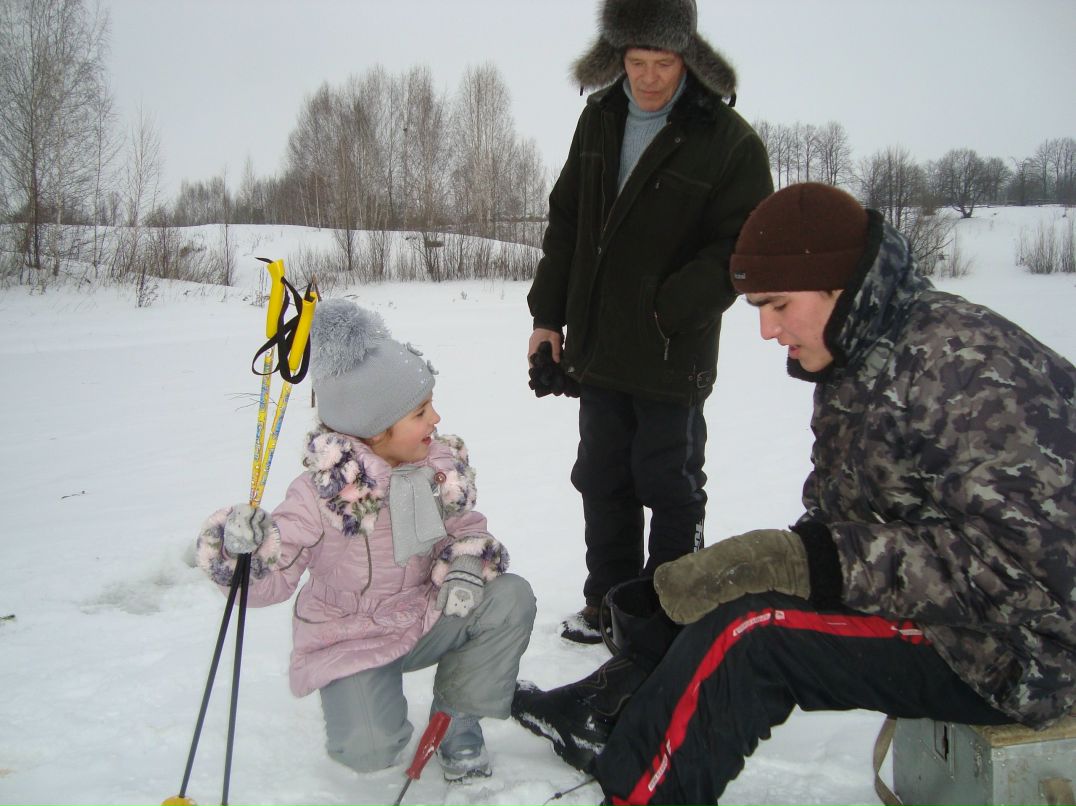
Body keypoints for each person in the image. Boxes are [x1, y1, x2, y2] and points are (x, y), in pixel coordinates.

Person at [512, 182, 1076, 804]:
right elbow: (844, 513)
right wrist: (765, 563)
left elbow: (1037, 574)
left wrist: (817, 563)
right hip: (962, 611)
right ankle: (612, 711)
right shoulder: (860, 351)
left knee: (755, 636)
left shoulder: (963, 370)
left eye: (777, 305)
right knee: (729, 593)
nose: (764, 329)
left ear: (839, 284)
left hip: (1028, 650)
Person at [194, 299, 536, 783]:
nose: (436, 418)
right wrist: (239, 549)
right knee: (370, 751)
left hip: (424, 613)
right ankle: (369, 707)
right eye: (420, 411)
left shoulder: (436, 469)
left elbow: (468, 530)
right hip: (349, 636)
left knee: (508, 596)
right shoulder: (321, 493)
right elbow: (270, 579)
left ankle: (456, 719)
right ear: (375, 429)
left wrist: (464, 564)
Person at [526, 0, 773, 643]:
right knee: (602, 476)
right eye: (637, 61)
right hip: (599, 346)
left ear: (688, 55)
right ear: (618, 57)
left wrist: (665, 308)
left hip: (672, 350)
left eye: (664, 62)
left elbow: (737, 247)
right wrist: (547, 317)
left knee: (670, 482)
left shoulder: (727, 139)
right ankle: (608, 603)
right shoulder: (601, 116)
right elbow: (567, 221)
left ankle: (670, 613)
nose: (650, 77)